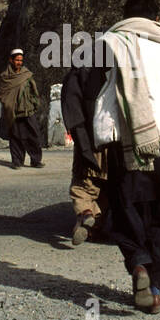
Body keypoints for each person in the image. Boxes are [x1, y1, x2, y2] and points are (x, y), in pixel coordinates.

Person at [93, 0, 160, 314]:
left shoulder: (108, 42)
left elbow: (92, 91)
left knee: (125, 206)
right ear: (156, 18)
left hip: (124, 139)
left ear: (125, 16)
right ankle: (156, 286)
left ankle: (138, 265)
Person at [61, 61, 109, 245]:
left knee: (83, 185)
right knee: (105, 186)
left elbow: (73, 111)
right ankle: (96, 226)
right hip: (110, 139)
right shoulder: (111, 72)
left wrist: (81, 141)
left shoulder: (77, 75)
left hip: (88, 139)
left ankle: (86, 214)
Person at [0, 48, 43, 169]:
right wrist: (9, 105)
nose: (19, 63)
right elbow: (2, 94)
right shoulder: (5, 77)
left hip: (28, 110)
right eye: (17, 60)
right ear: (11, 60)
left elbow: (34, 91)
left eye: (21, 60)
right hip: (13, 112)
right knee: (15, 136)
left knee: (33, 135)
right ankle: (17, 161)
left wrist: (34, 103)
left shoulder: (26, 75)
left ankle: (36, 160)